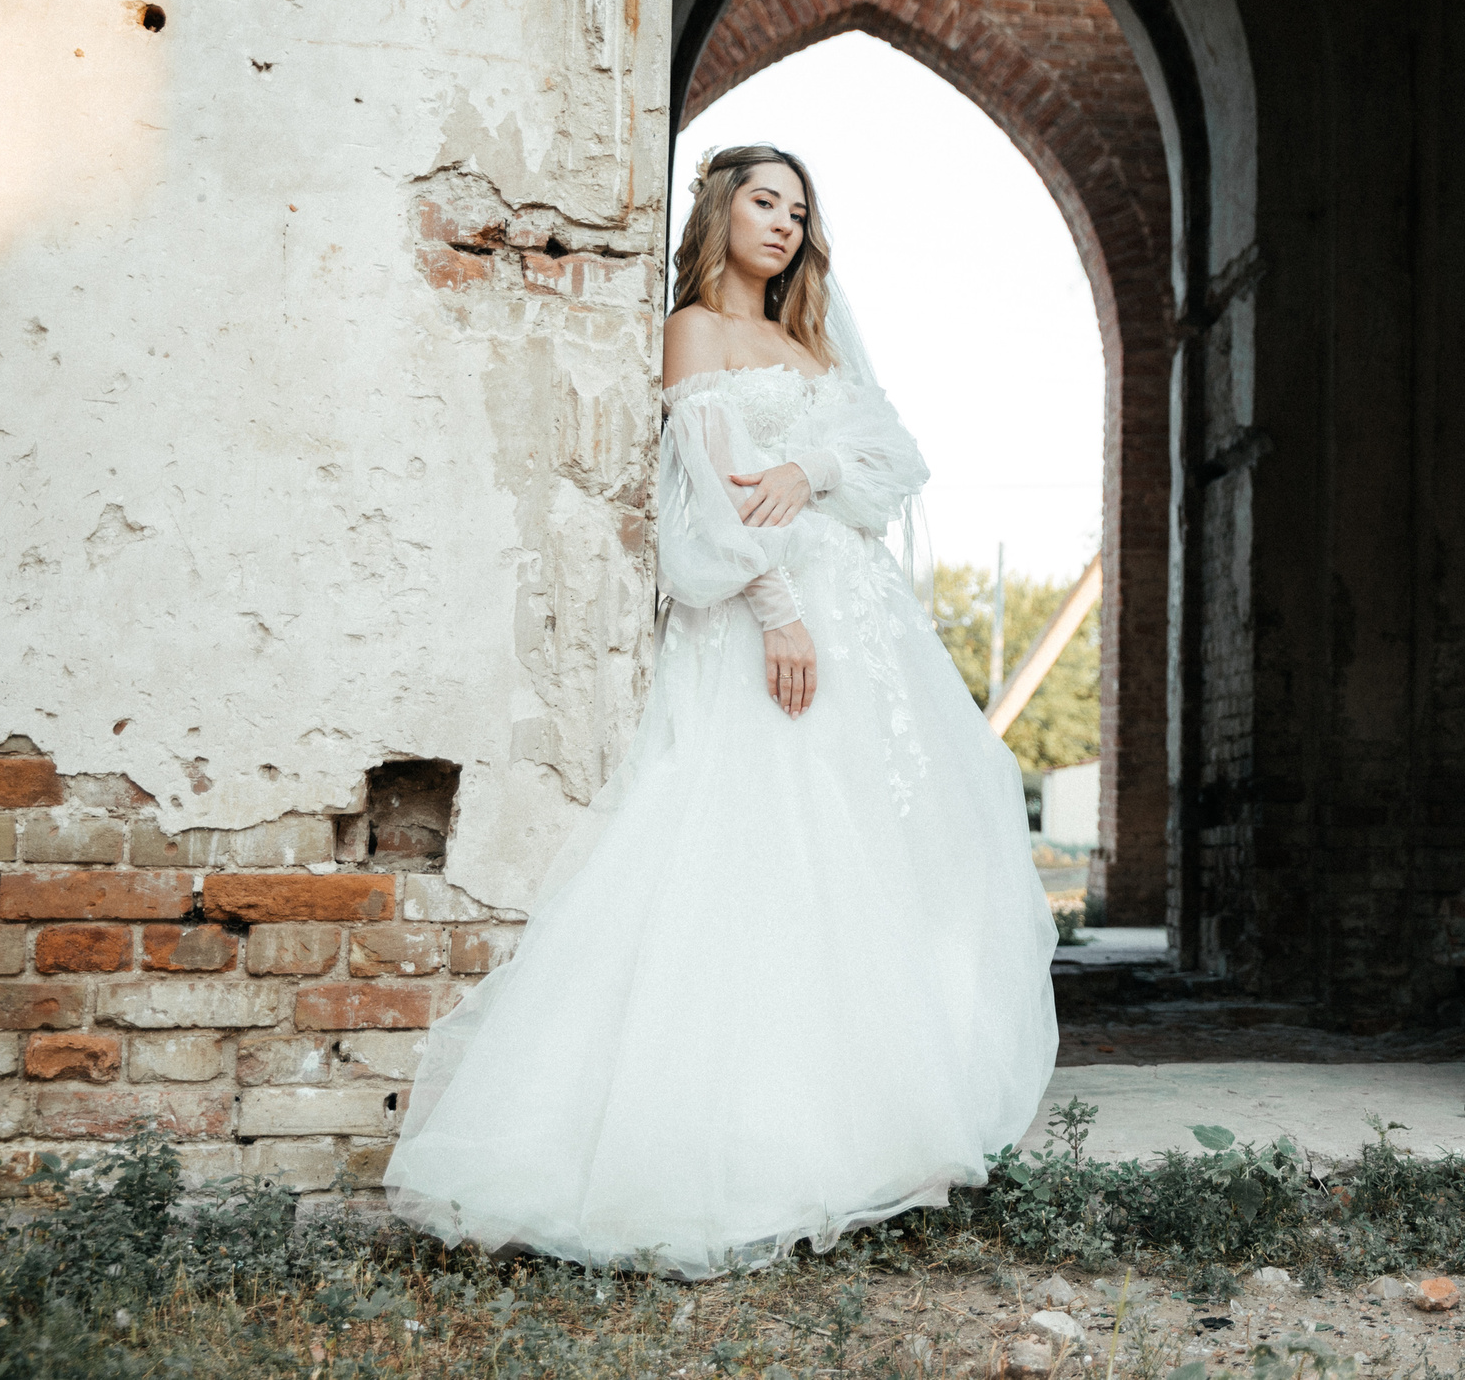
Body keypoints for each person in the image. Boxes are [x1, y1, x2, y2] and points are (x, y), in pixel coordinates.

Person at [385, 144, 1058, 1275]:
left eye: (800, 208)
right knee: (756, 850)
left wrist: (817, 472)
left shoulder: (811, 339)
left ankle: (876, 1118)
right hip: (763, 622)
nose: (785, 223)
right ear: (721, 209)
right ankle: (744, 1143)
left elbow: (896, 459)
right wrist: (778, 606)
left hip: (864, 631)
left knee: (869, 852)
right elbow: (703, 489)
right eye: (764, 200)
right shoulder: (693, 328)